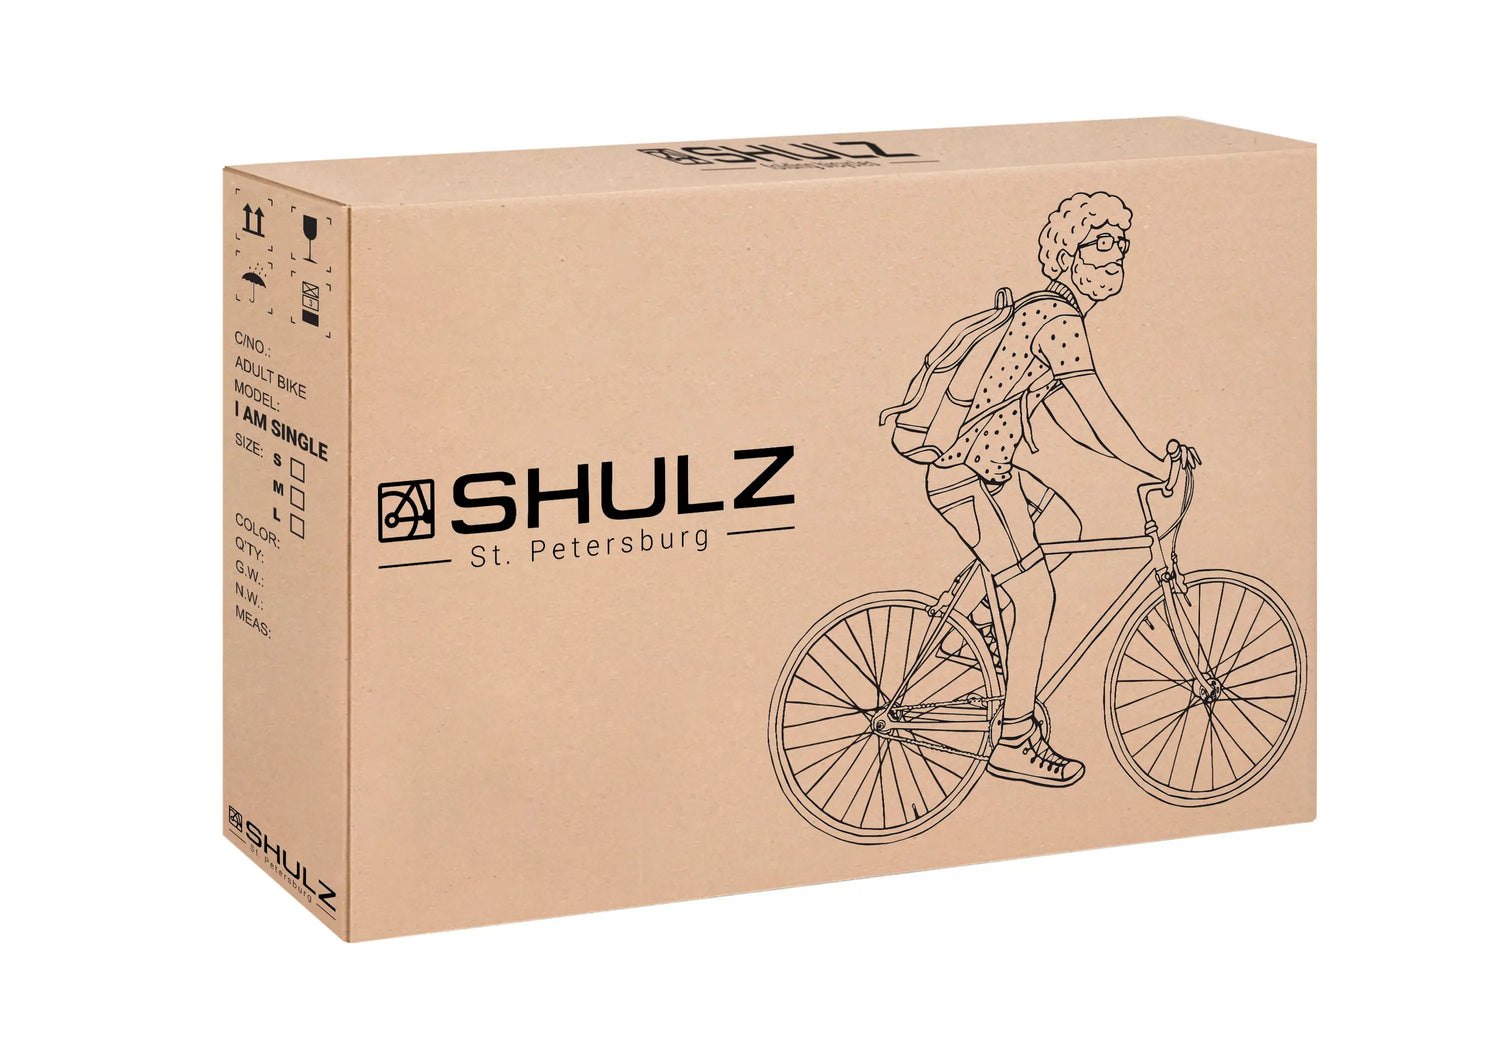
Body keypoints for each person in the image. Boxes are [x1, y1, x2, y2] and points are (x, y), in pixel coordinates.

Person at [924, 191, 1183, 787]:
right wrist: (1153, 466)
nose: (1115, 254)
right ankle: (1013, 737)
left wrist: (1130, 466)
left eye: (1121, 243)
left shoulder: (1045, 313)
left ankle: (970, 630)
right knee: (1036, 596)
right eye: (1101, 243)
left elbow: (1070, 414)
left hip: (988, 469)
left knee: (1061, 522)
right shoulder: (1060, 322)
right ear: (1068, 256)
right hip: (972, 474)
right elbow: (1099, 413)